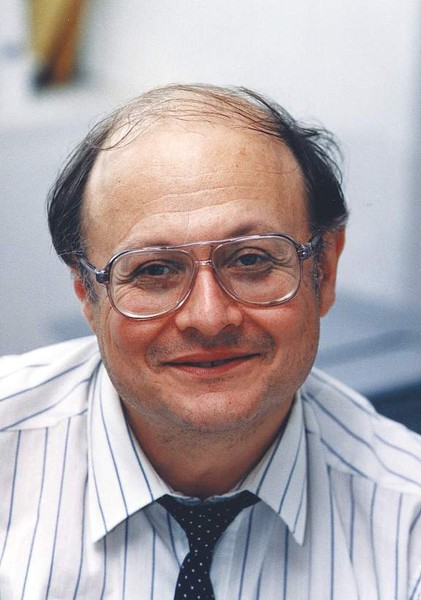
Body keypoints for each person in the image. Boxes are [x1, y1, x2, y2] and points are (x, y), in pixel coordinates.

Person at [0, 84, 420, 600]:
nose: (209, 317)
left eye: (251, 260)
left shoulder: (408, 525)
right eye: (154, 270)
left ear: (325, 271)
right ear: (88, 293)